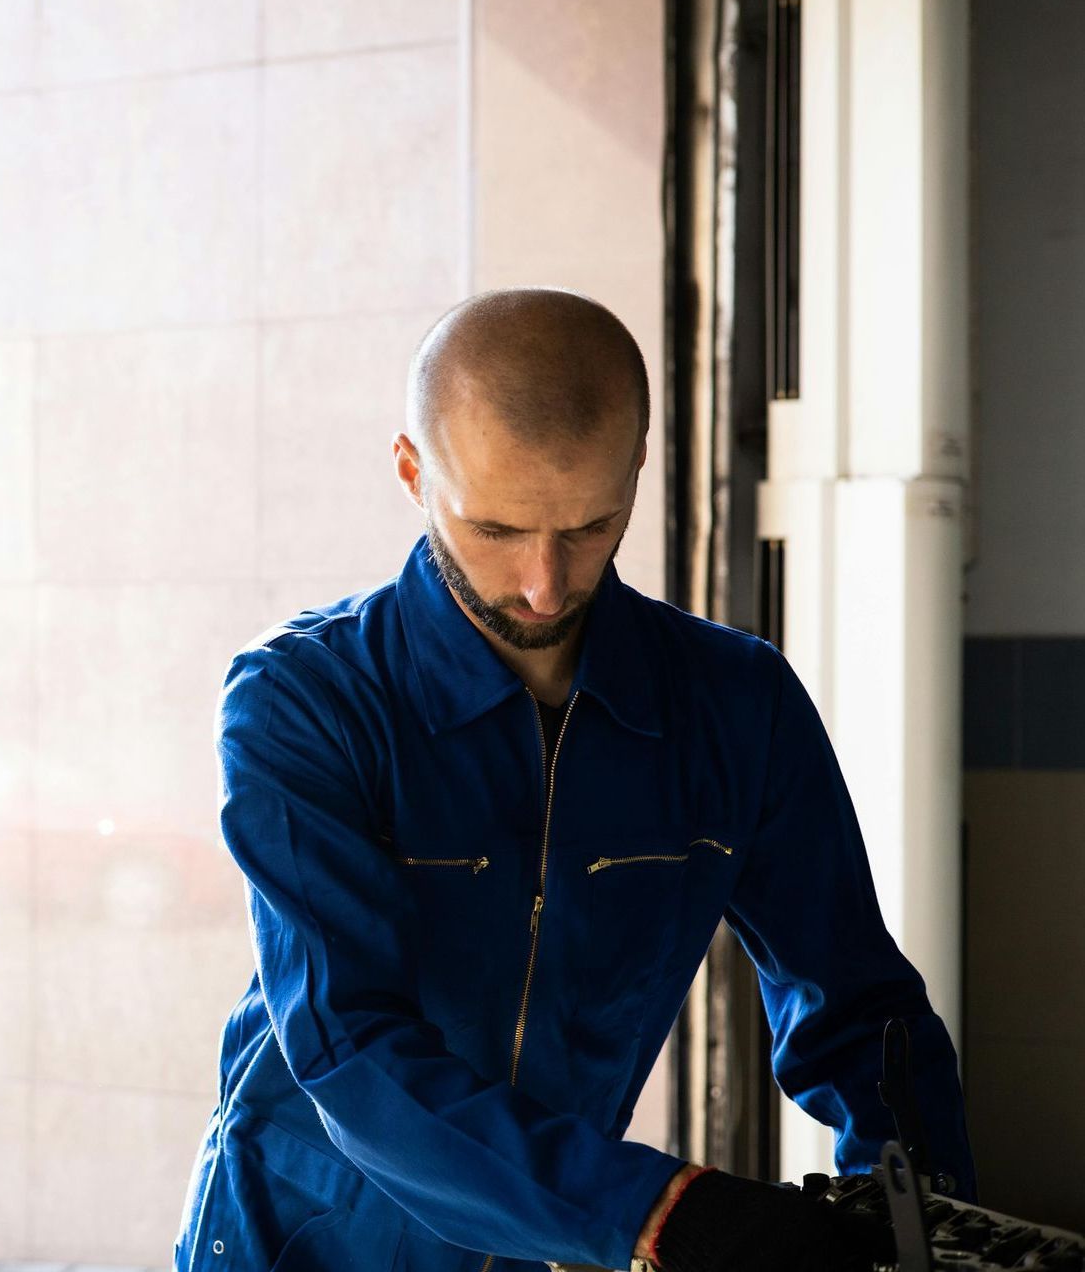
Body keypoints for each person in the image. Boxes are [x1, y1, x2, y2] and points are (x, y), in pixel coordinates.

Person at [172, 288, 976, 1272]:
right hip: (291, 1244)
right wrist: (663, 1213)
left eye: (589, 527)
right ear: (410, 469)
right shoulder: (304, 698)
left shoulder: (737, 704)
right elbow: (351, 1044)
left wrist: (928, 1227)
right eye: (498, 529)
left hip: (554, 1247)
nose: (543, 583)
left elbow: (856, 1004)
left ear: (637, 464)